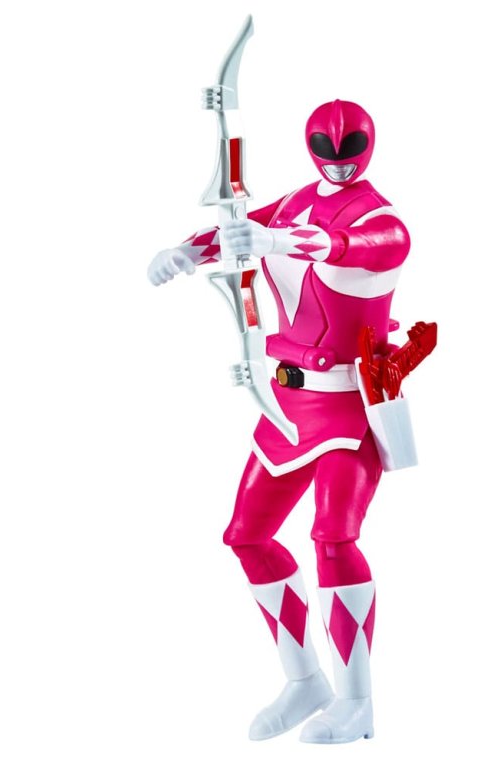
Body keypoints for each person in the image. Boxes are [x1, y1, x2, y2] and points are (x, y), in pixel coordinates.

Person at [148, 99, 409, 744]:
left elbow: (341, 246)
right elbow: (239, 231)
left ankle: (357, 701)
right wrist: (186, 251)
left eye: (349, 150)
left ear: (367, 147)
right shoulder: (293, 204)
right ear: (311, 145)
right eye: (327, 149)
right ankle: (304, 682)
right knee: (248, 534)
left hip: (350, 407)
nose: (338, 162)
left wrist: (271, 241)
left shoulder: (384, 223)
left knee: (333, 538)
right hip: (288, 406)